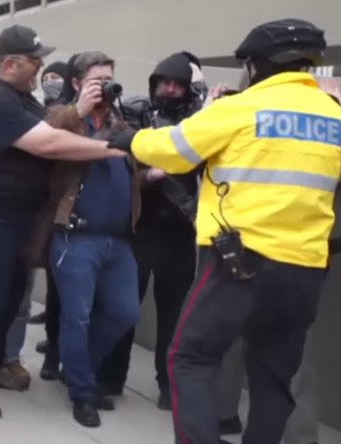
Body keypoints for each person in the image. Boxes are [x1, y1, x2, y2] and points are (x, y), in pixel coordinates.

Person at [110, 18, 340, 444]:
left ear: (255, 66)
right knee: (273, 376)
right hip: (305, 271)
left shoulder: (239, 109)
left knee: (191, 358)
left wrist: (130, 138)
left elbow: (173, 151)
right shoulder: (335, 116)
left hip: (239, 264)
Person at [0, 25, 127, 419]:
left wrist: (80, 113)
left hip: (14, 217)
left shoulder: (21, 97)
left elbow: (51, 127)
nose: (41, 66)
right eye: (34, 60)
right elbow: (47, 144)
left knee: (7, 297)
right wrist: (113, 148)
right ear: (10, 63)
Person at [39, 52, 141, 428]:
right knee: (77, 317)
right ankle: (83, 392)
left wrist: (151, 175)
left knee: (125, 312)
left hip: (118, 240)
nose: (106, 86)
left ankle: (77, 370)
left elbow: (125, 171)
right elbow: (47, 136)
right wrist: (79, 109)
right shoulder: (64, 117)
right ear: (78, 83)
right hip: (76, 236)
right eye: (98, 79)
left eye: (109, 79)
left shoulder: (119, 122)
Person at [96, 52, 203, 410]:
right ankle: (110, 378)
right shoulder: (137, 116)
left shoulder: (200, 123)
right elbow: (118, 167)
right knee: (123, 310)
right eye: (164, 83)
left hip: (181, 234)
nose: (170, 90)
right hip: (139, 231)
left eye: (178, 84)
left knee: (176, 317)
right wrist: (148, 177)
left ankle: (169, 387)